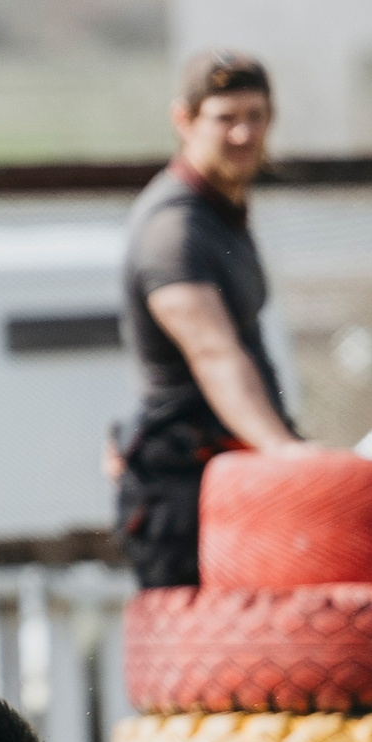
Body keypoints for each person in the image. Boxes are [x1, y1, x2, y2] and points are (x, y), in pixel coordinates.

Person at [111, 50, 313, 588]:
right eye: (226, 118)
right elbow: (213, 352)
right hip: (182, 489)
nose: (244, 134)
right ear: (184, 120)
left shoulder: (223, 212)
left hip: (230, 478)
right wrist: (283, 450)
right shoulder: (174, 231)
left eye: (256, 116)